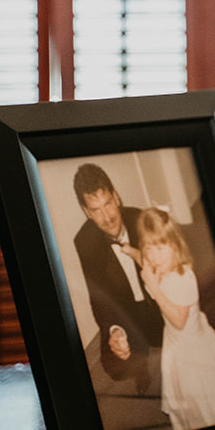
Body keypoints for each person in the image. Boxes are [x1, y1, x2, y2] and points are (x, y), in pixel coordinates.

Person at [136, 208, 215, 430]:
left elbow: (179, 320)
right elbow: (145, 255)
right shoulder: (159, 267)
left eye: (160, 248)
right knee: (189, 405)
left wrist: (153, 287)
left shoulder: (182, 277)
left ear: (175, 246)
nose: (154, 256)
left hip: (194, 354)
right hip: (178, 348)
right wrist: (133, 253)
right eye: (148, 248)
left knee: (208, 402)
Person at [72, 163, 164, 398]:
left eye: (108, 204)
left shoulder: (141, 219)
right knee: (115, 366)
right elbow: (97, 295)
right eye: (96, 209)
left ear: (116, 197)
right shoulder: (84, 241)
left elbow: (169, 268)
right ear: (86, 212)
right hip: (126, 311)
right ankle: (141, 369)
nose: (107, 217)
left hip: (156, 298)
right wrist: (113, 330)